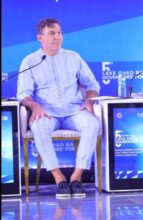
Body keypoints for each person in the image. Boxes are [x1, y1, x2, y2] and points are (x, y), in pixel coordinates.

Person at [17, 18, 100, 197]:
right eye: (52, 33)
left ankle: (77, 178)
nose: (57, 37)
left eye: (59, 32)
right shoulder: (30, 61)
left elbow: (92, 85)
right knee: (38, 126)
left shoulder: (73, 57)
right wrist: (34, 106)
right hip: (47, 112)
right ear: (40, 38)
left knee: (92, 124)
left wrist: (89, 100)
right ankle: (59, 178)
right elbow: (23, 94)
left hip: (74, 109)